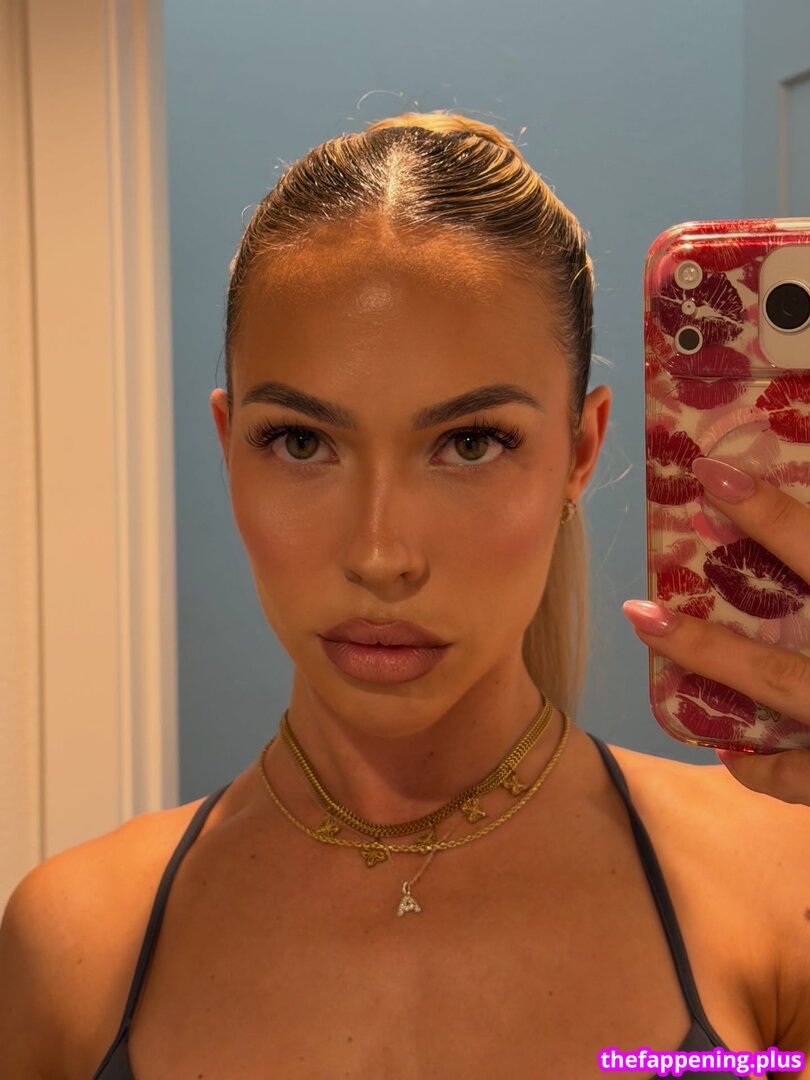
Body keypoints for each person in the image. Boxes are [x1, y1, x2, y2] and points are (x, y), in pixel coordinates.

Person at [2, 111, 809, 1080]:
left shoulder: (781, 888)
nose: (381, 555)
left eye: (470, 443)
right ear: (228, 446)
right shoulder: (74, 942)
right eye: (301, 441)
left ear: (581, 449)